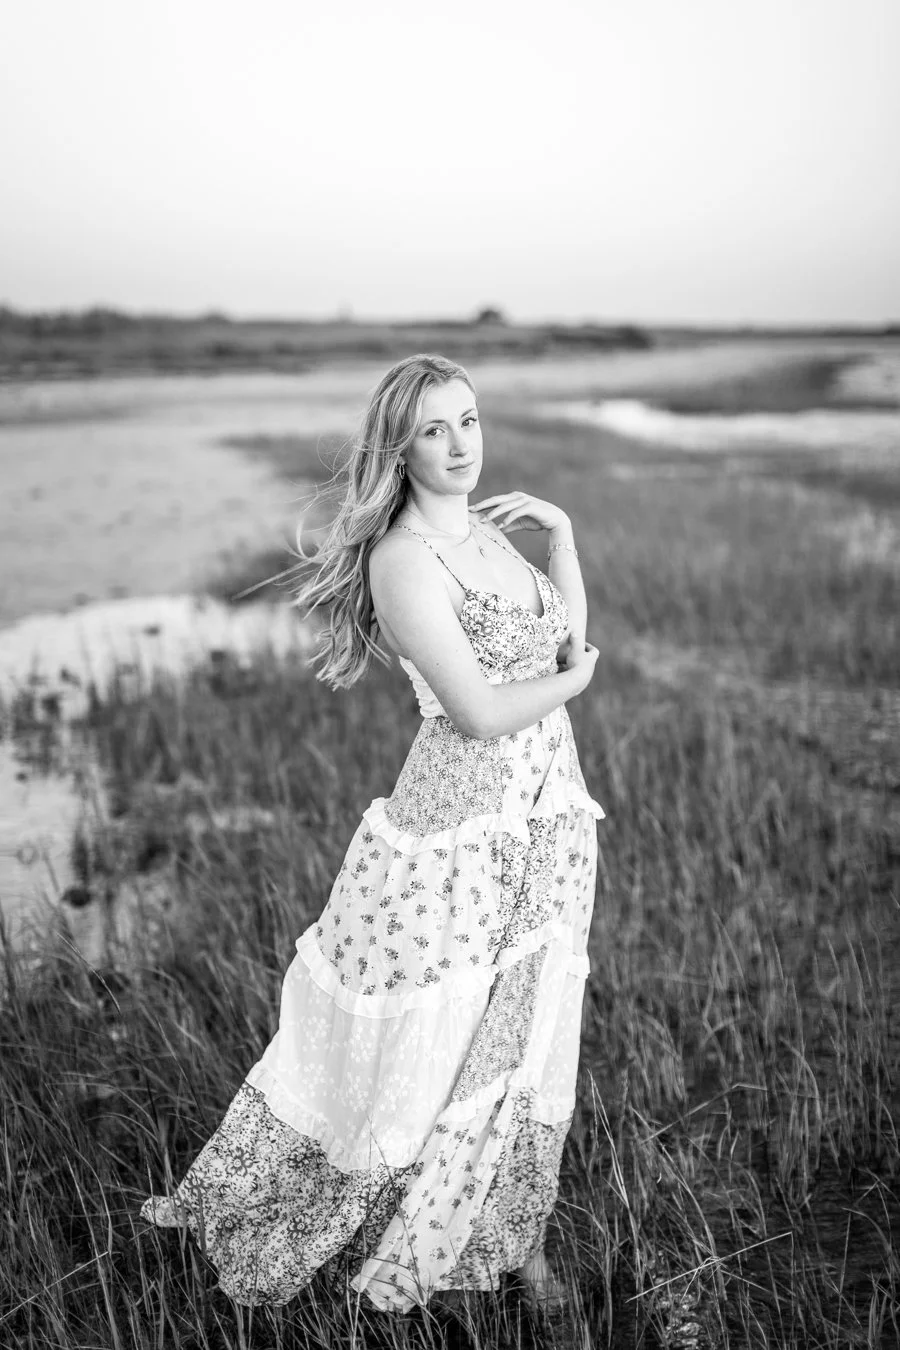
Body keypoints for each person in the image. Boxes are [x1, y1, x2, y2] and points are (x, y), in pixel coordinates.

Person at [139, 352, 603, 1320]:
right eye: (434, 429)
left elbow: (561, 638)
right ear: (399, 445)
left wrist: (560, 538)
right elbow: (480, 711)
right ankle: (400, 1240)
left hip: (551, 818)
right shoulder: (402, 560)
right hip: (460, 837)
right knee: (427, 1045)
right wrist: (580, 686)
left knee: (524, 1040)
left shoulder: (492, 536)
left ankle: (513, 1246)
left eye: (469, 419)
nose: (460, 444)